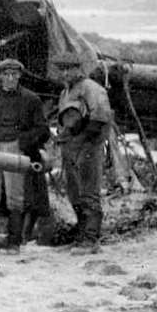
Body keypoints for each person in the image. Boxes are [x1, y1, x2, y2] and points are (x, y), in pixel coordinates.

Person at [0, 58, 50, 252]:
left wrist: (23, 142)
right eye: (6, 74)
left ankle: (14, 242)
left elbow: (42, 128)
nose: (10, 78)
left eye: (14, 74)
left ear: (19, 76)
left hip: (15, 148)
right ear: (0, 77)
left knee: (15, 196)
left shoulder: (31, 99)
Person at [53, 52, 113, 254]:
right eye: (62, 69)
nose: (66, 73)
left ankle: (91, 239)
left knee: (89, 193)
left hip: (89, 147)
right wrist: (62, 137)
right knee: (75, 194)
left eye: (69, 68)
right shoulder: (65, 93)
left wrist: (83, 143)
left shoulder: (91, 88)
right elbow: (67, 122)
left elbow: (100, 118)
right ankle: (81, 235)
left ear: (79, 69)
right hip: (70, 149)